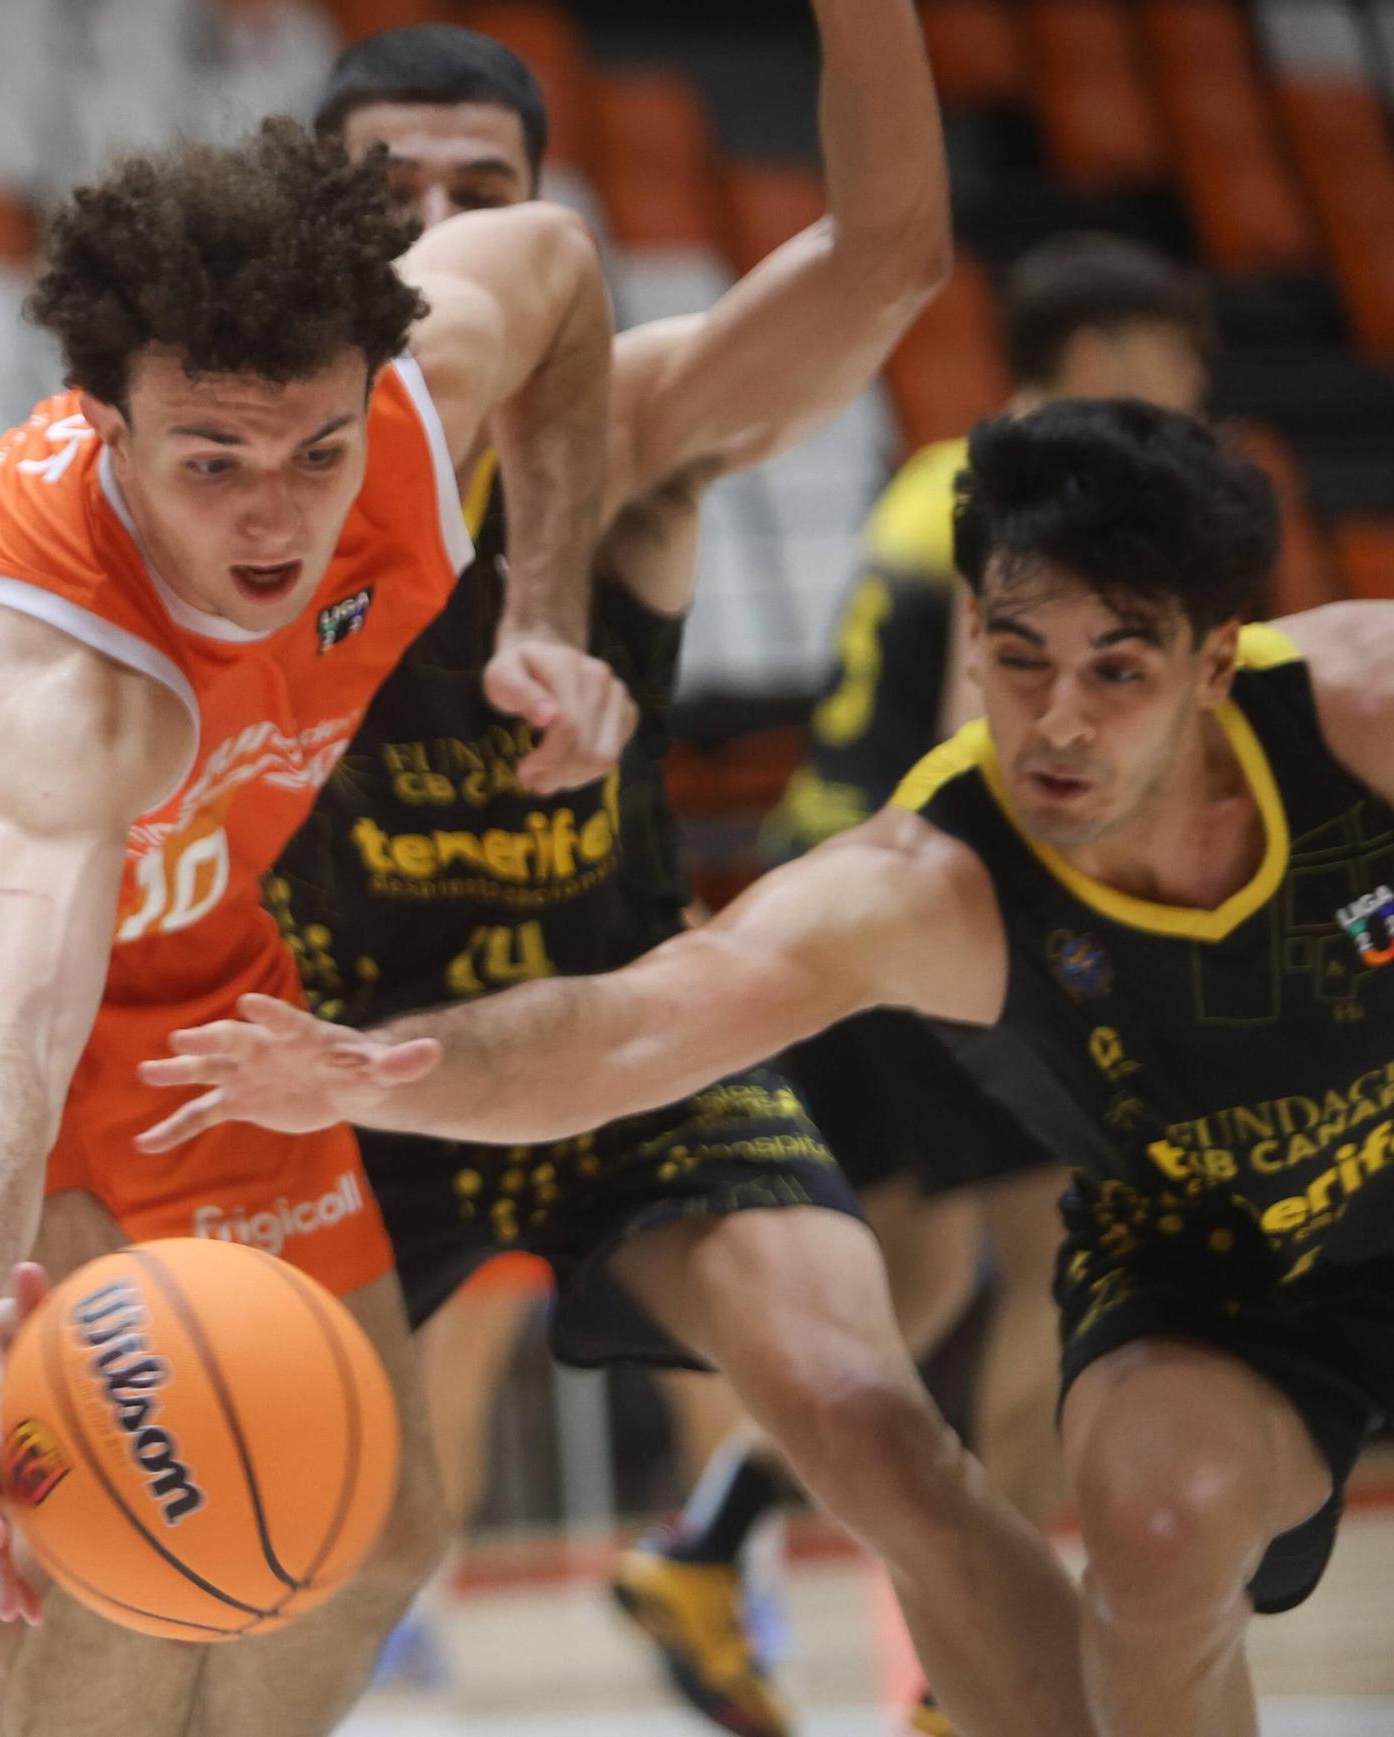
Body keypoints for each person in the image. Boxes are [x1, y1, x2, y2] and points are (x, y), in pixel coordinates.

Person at [145, 397, 1394, 1737]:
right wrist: (372, 1067)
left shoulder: (1358, 712)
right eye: (1020, 660)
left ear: (1214, 665)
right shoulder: (931, 880)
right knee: (1151, 1524)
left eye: (1118, 672)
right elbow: (630, 1028)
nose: (1061, 722)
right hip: (1212, 1264)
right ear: (974, 646)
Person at [0, 117, 631, 1737]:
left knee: (373, 1522)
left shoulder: (414, 403)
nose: (276, 519)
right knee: (135, 1510)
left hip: (189, 945)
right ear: (106, 420)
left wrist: (545, 608)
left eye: (315, 455)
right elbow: (12, 1014)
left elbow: (554, 270)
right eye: (211, 460)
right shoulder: (61, 671)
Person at [283, 16, 1075, 1735]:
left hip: (629, 1040)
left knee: (880, 1419)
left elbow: (889, 255)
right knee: (330, 1555)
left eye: (481, 191)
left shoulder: (634, 419)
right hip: (342, 1070)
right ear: (307, 221)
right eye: (388, 189)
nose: (435, 225)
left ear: (547, 225)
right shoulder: (232, 471)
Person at [647, 232, 1214, 1736]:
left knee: (908, 1286)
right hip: (920, 927)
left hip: (824, 912)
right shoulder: (1035, 516)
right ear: (1098, 360)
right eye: (1173, 353)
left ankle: (706, 1546)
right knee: (1045, 1265)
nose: (1197, 382)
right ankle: (971, 1679)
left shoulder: (928, 485)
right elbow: (1023, 747)